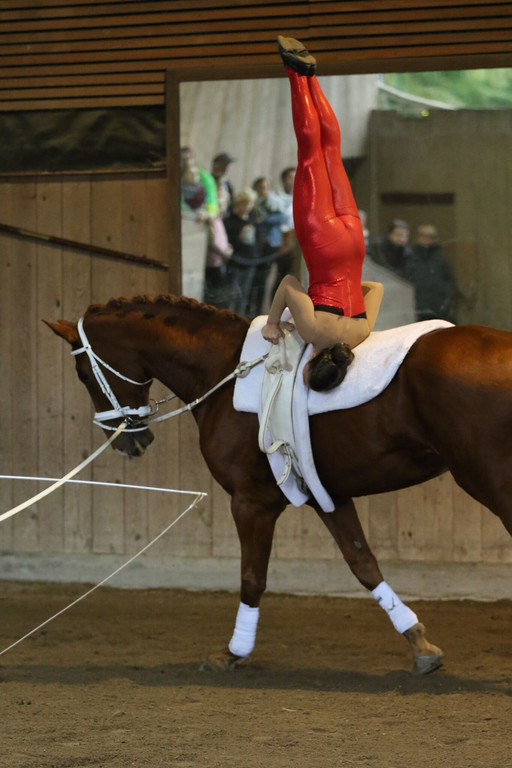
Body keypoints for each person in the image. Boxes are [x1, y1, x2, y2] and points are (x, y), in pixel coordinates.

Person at [262, 36, 383, 392]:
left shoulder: (361, 334)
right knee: (310, 154)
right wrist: (272, 323)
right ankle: (296, 73)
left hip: (353, 244)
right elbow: (288, 283)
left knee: (331, 152)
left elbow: (374, 287)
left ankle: (311, 76)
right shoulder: (313, 333)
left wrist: (346, 289)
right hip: (324, 244)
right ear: (313, 363)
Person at [406, 224, 456, 322]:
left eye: (430, 237)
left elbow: (449, 278)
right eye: (423, 236)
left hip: (438, 306)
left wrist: (445, 298)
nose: (426, 239)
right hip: (417, 306)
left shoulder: (440, 256)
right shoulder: (410, 256)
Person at [211, 151, 236, 218]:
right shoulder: (208, 181)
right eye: (223, 165)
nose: (226, 168)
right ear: (215, 165)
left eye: (227, 165)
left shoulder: (228, 185)